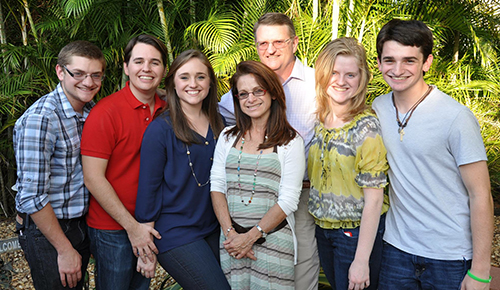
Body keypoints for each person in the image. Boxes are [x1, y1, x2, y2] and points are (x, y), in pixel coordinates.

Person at [372, 19, 494, 290]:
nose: (398, 69)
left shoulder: (456, 117)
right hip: (396, 249)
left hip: (449, 256)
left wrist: (481, 271)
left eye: (409, 60)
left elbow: (480, 195)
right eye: (389, 60)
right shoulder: (377, 108)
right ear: (379, 63)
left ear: (427, 62)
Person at [218, 12, 319, 289]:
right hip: (248, 198)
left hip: (299, 196)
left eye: (278, 42)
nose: (270, 49)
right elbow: (212, 116)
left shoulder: (317, 84)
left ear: (295, 43)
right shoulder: (238, 95)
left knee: (299, 272)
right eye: (263, 43)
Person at [134, 50, 230, 289]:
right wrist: (146, 250)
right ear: (173, 84)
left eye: (200, 77)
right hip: (175, 231)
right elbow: (149, 188)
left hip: (213, 226)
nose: (193, 84)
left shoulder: (222, 124)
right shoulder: (161, 130)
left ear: (210, 82)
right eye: (184, 77)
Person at [14, 40, 105, 290]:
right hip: (48, 231)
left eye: (95, 75)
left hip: (80, 223)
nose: (88, 82)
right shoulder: (41, 118)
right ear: (60, 72)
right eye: (79, 74)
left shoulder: (91, 110)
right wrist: (64, 250)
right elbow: (31, 196)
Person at [80, 34, 167, 290]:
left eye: (155, 62)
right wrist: (133, 228)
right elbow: (93, 178)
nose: (147, 68)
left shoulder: (170, 109)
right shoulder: (105, 113)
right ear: (127, 68)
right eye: (139, 61)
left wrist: (144, 228)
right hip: (112, 228)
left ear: (164, 69)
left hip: (151, 223)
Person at [211, 60, 305, 289]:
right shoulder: (226, 137)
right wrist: (231, 235)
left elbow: (289, 200)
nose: (250, 99)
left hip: (273, 243)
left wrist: (251, 237)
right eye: (243, 94)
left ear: (272, 93)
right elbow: (217, 186)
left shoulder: (290, 142)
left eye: (257, 91)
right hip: (231, 243)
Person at [308, 37, 389, 290]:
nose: (341, 81)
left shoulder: (366, 127)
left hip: (354, 235)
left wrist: (361, 260)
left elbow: (375, 200)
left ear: (362, 79)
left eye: (350, 74)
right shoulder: (320, 120)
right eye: (334, 72)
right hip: (323, 229)